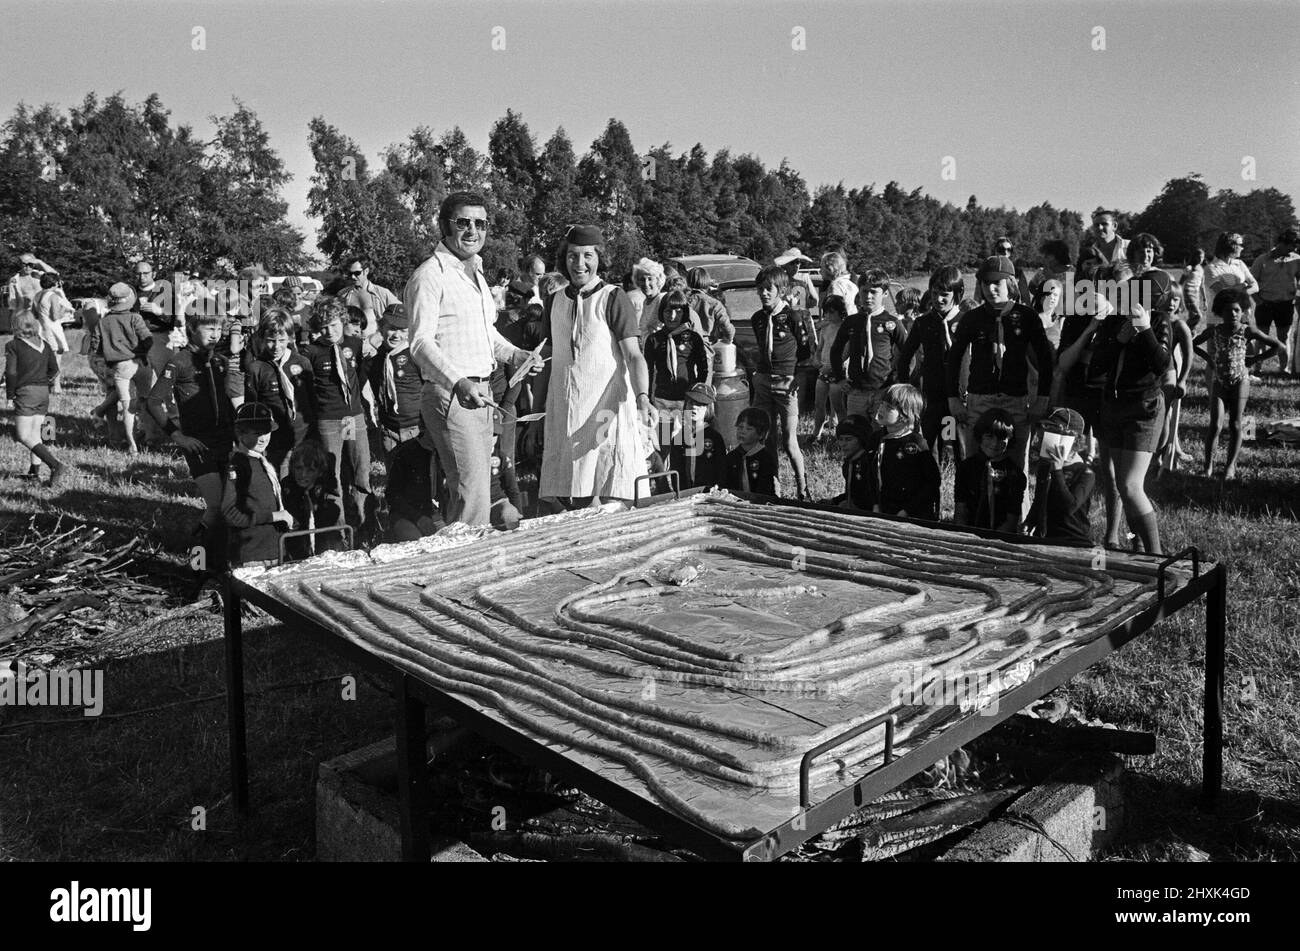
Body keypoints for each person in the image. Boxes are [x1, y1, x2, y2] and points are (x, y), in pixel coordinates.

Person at [407, 191, 537, 526]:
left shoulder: (475, 273)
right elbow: (420, 344)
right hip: (452, 395)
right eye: (463, 222)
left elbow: (486, 334)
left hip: (482, 395)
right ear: (444, 226)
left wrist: (516, 353)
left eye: (480, 223)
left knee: (478, 490)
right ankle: (463, 570)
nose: (472, 230)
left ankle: (468, 561)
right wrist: (458, 382)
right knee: (472, 492)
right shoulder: (430, 275)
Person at [532, 224, 655, 507]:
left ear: (599, 257)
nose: (580, 263)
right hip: (565, 412)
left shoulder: (613, 297)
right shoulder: (553, 303)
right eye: (573, 255)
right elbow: (546, 361)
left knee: (612, 494)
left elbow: (634, 356)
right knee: (571, 498)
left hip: (605, 412)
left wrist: (643, 397)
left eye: (588, 255)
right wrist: (538, 414)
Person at [147, 310, 241, 573]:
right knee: (216, 505)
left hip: (227, 442)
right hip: (199, 444)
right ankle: (198, 563)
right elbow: (154, 402)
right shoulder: (179, 362)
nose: (216, 334)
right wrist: (178, 436)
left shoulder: (220, 361)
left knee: (224, 507)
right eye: (209, 329)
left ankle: (209, 554)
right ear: (192, 330)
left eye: (218, 329)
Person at [946, 256, 1054, 484]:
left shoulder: (1027, 317)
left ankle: (1017, 518)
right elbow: (955, 358)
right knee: (975, 462)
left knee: (1016, 468)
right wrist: (953, 399)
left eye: (997, 283)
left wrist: (1042, 398)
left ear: (1011, 283)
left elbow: (1045, 359)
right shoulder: (972, 318)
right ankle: (973, 517)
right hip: (979, 399)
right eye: (985, 283)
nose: (991, 288)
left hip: (1015, 400)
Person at [1089, 280, 1172, 553]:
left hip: (1144, 406)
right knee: (1124, 487)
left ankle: (1156, 555)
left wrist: (1145, 329)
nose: (1129, 301)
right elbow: (1097, 365)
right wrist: (1119, 340)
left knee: (1130, 484)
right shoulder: (1112, 322)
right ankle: (1142, 547)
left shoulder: (1159, 320)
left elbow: (1162, 364)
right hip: (1114, 405)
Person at [302, 296, 374, 533]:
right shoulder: (311, 352)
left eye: (334, 325)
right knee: (332, 476)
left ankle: (364, 524)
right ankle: (339, 530)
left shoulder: (354, 344)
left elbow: (360, 375)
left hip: (352, 417)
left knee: (361, 471)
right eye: (323, 327)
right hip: (328, 421)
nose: (329, 331)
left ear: (342, 322)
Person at [1194, 287, 1282, 480]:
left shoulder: (1247, 330)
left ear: (1243, 311)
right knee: (1215, 425)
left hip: (1240, 381)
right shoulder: (1214, 331)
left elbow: (1277, 346)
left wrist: (1254, 359)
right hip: (1218, 381)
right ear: (1219, 312)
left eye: (1236, 310)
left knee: (1235, 424)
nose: (1232, 314)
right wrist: (1209, 359)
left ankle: (1229, 467)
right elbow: (1194, 343)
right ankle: (1207, 466)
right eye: (1227, 310)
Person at [750, 265, 816, 500]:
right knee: (766, 438)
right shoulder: (757, 318)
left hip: (786, 384)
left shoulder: (794, 317)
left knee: (789, 440)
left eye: (769, 289)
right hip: (763, 383)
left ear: (782, 290)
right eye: (760, 289)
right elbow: (761, 348)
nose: (764, 293)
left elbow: (807, 352)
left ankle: (802, 488)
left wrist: (798, 377)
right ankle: (772, 488)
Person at [898, 265, 968, 463]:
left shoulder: (966, 321)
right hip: (932, 398)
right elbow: (905, 357)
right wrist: (907, 389)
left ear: (958, 293)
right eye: (935, 293)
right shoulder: (923, 322)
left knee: (959, 449)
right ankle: (931, 491)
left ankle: (962, 491)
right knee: (930, 449)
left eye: (945, 294)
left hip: (958, 398)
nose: (938, 299)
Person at [243, 308, 314, 476]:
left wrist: (314, 434)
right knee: (282, 483)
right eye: (270, 340)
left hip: (303, 436)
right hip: (275, 440)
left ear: (290, 337)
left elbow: (312, 400)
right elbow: (252, 407)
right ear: (261, 339)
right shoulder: (256, 369)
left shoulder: (302, 363)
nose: (276, 346)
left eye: (281, 340)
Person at [221, 403, 293, 567]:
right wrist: (274, 516)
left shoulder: (263, 462)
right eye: (256, 432)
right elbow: (230, 513)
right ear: (240, 433)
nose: (263, 437)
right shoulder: (238, 465)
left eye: (266, 431)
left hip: (276, 550)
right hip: (252, 556)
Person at [645, 290, 711, 467]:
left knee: (687, 445)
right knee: (663, 445)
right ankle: (661, 482)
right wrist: (648, 398)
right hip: (663, 400)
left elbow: (704, 368)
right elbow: (648, 371)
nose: (672, 316)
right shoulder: (654, 340)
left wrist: (697, 395)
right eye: (667, 311)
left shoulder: (693, 338)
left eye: (678, 311)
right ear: (661, 313)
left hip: (686, 401)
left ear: (685, 312)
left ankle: (686, 481)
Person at [4, 312, 69, 486]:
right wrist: (42, 382)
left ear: (15, 326)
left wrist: (10, 395)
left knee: (23, 435)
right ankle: (34, 473)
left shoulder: (13, 345)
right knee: (35, 435)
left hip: (26, 393)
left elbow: (11, 372)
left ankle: (55, 465)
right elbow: (55, 370)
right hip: (43, 393)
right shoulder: (45, 345)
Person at [88, 283, 153, 454]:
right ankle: (149, 436)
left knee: (127, 406)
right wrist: (141, 352)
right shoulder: (135, 318)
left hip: (119, 366)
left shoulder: (103, 322)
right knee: (145, 400)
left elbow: (95, 347)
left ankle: (132, 445)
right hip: (141, 362)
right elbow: (148, 339)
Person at [831, 269, 904, 420]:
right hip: (856, 390)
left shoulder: (892, 322)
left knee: (879, 432)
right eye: (864, 291)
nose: (868, 297)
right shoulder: (851, 322)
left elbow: (908, 351)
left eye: (873, 292)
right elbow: (836, 350)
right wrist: (839, 378)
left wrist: (899, 381)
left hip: (883, 389)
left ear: (884, 294)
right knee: (857, 431)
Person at [863, 384, 941, 519]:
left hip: (912, 514)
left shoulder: (916, 443)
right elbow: (870, 474)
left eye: (889, 408)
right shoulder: (876, 438)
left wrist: (907, 511)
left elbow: (932, 481)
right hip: (883, 509)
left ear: (905, 416)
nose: (881, 409)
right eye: (882, 404)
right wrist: (875, 504)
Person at [366, 303, 425, 477]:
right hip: (389, 430)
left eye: (402, 330)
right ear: (381, 327)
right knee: (393, 480)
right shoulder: (373, 359)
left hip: (415, 429)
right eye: (391, 328)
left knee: (418, 479)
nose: (396, 335)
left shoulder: (415, 356)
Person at [1025, 407, 1096, 545]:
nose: (1040, 441)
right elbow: (1040, 500)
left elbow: (1069, 507)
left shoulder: (1085, 473)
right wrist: (1029, 522)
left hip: (1073, 540)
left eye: (1047, 436)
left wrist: (1057, 471)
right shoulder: (1045, 466)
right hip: (1045, 538)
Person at [954, 408, 1025, 533]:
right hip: (967, 535)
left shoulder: (1015, 474)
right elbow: (961, 510)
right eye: (989, 436)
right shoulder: (965, 468)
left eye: (1001, 438)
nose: (995, 443)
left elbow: (1012, 520)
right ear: (980, 436)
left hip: (1000, 538)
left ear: (1010, 439)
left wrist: (992, 542)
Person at [1249, 229, 1300, 374]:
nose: (1294, 249)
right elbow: (1251, 282)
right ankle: (1257, 368)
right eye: (1291, 246)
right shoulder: (1262, 260)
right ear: (1280, 244)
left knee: (1284, 337)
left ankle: (1284, 369)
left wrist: (1296, 296)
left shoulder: (1296, 259)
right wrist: (1258, 301)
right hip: (1264, 304)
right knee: (1261, 337)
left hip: (1286, 305)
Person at [812, 295, 848, 440]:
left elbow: (846, 352)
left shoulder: (845, 328)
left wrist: (832, 366)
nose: (828, 315)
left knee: (838, 405)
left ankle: (843, 435)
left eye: (832, 312)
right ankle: (816, 434)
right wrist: (816, 359)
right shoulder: (825, 328)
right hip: (823, 371)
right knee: (818, 404)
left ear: (841, 311)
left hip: (838, 372)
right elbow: (819, 348)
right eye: (826, 312)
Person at [339, 255, 400, 340]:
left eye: (357, 273)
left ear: (366, 271)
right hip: (351, 344)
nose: (353, 277)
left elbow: (401, 314)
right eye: (350, 273)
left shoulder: (382, 293)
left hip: (376, 345)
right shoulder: (343, 295)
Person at [722, 407, 778, 496]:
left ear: (761, 434)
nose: (742, 432)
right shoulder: (731, 457)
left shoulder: (765, 458)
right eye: (740, 427)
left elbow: (765, 488)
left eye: (749, 429)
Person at [1203, 232, 1259, 308]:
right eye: (1240, 245)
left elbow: (1256, 286)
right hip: (1219, 317)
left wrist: (1241, 290)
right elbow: (1223, 293)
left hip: (1242, 315)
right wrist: (1243, 286)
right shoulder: (1210, 268)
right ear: (1231, 246)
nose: (1242, 248)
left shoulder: (1239, 263)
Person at [832, 414, 873, 510]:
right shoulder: (849, 462)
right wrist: (835, 501)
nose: (843, 444)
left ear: (861, 439)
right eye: (840, 439)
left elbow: (870, 496)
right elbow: (852, 493)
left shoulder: (869, 463)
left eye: (848, 439)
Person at [685, 267, 735, 344]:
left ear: (688, 281)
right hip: (707, 345)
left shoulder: (684, 302)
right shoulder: (715, 304)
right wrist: (729, 338)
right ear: (707, 281)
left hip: (686, 343)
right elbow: (726, 326)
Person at [773, 248, 818, 313]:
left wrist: (799, 303)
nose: (796, 265)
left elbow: (815, 300)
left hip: (802, 315)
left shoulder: (805, 277)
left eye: (797, 262)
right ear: (785, 265)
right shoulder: (780, 279)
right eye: (792, 263)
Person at [632, 257, 666, 336]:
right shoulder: (646, 302)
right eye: (642, 279)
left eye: (650, 279)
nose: (646, 284)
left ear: (658, 280)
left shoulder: (662, 299)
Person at [992, 236, 1032, 303]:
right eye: (1001, 249)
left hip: (1013, 310)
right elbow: (978, 297)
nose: (1005, 252)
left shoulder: (1018, 272)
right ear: (995, 250)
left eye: (1009, 250)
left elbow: (1025, 297)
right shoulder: (986, 270)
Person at [1180, 247, 1207, 330]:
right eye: (1199, 257)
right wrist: (1180, 299)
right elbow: (1180, 284)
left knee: (1193, 318)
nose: (1200, 259)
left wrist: (1204, 299)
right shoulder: (1189, 268)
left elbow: (1202, 285)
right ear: (1194, 257)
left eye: (1202, 257)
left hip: (1196, 294)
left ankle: (1190, 337)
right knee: (1198, 316)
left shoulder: (1201, 269)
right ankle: (1182, 329)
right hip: (1188, 293)